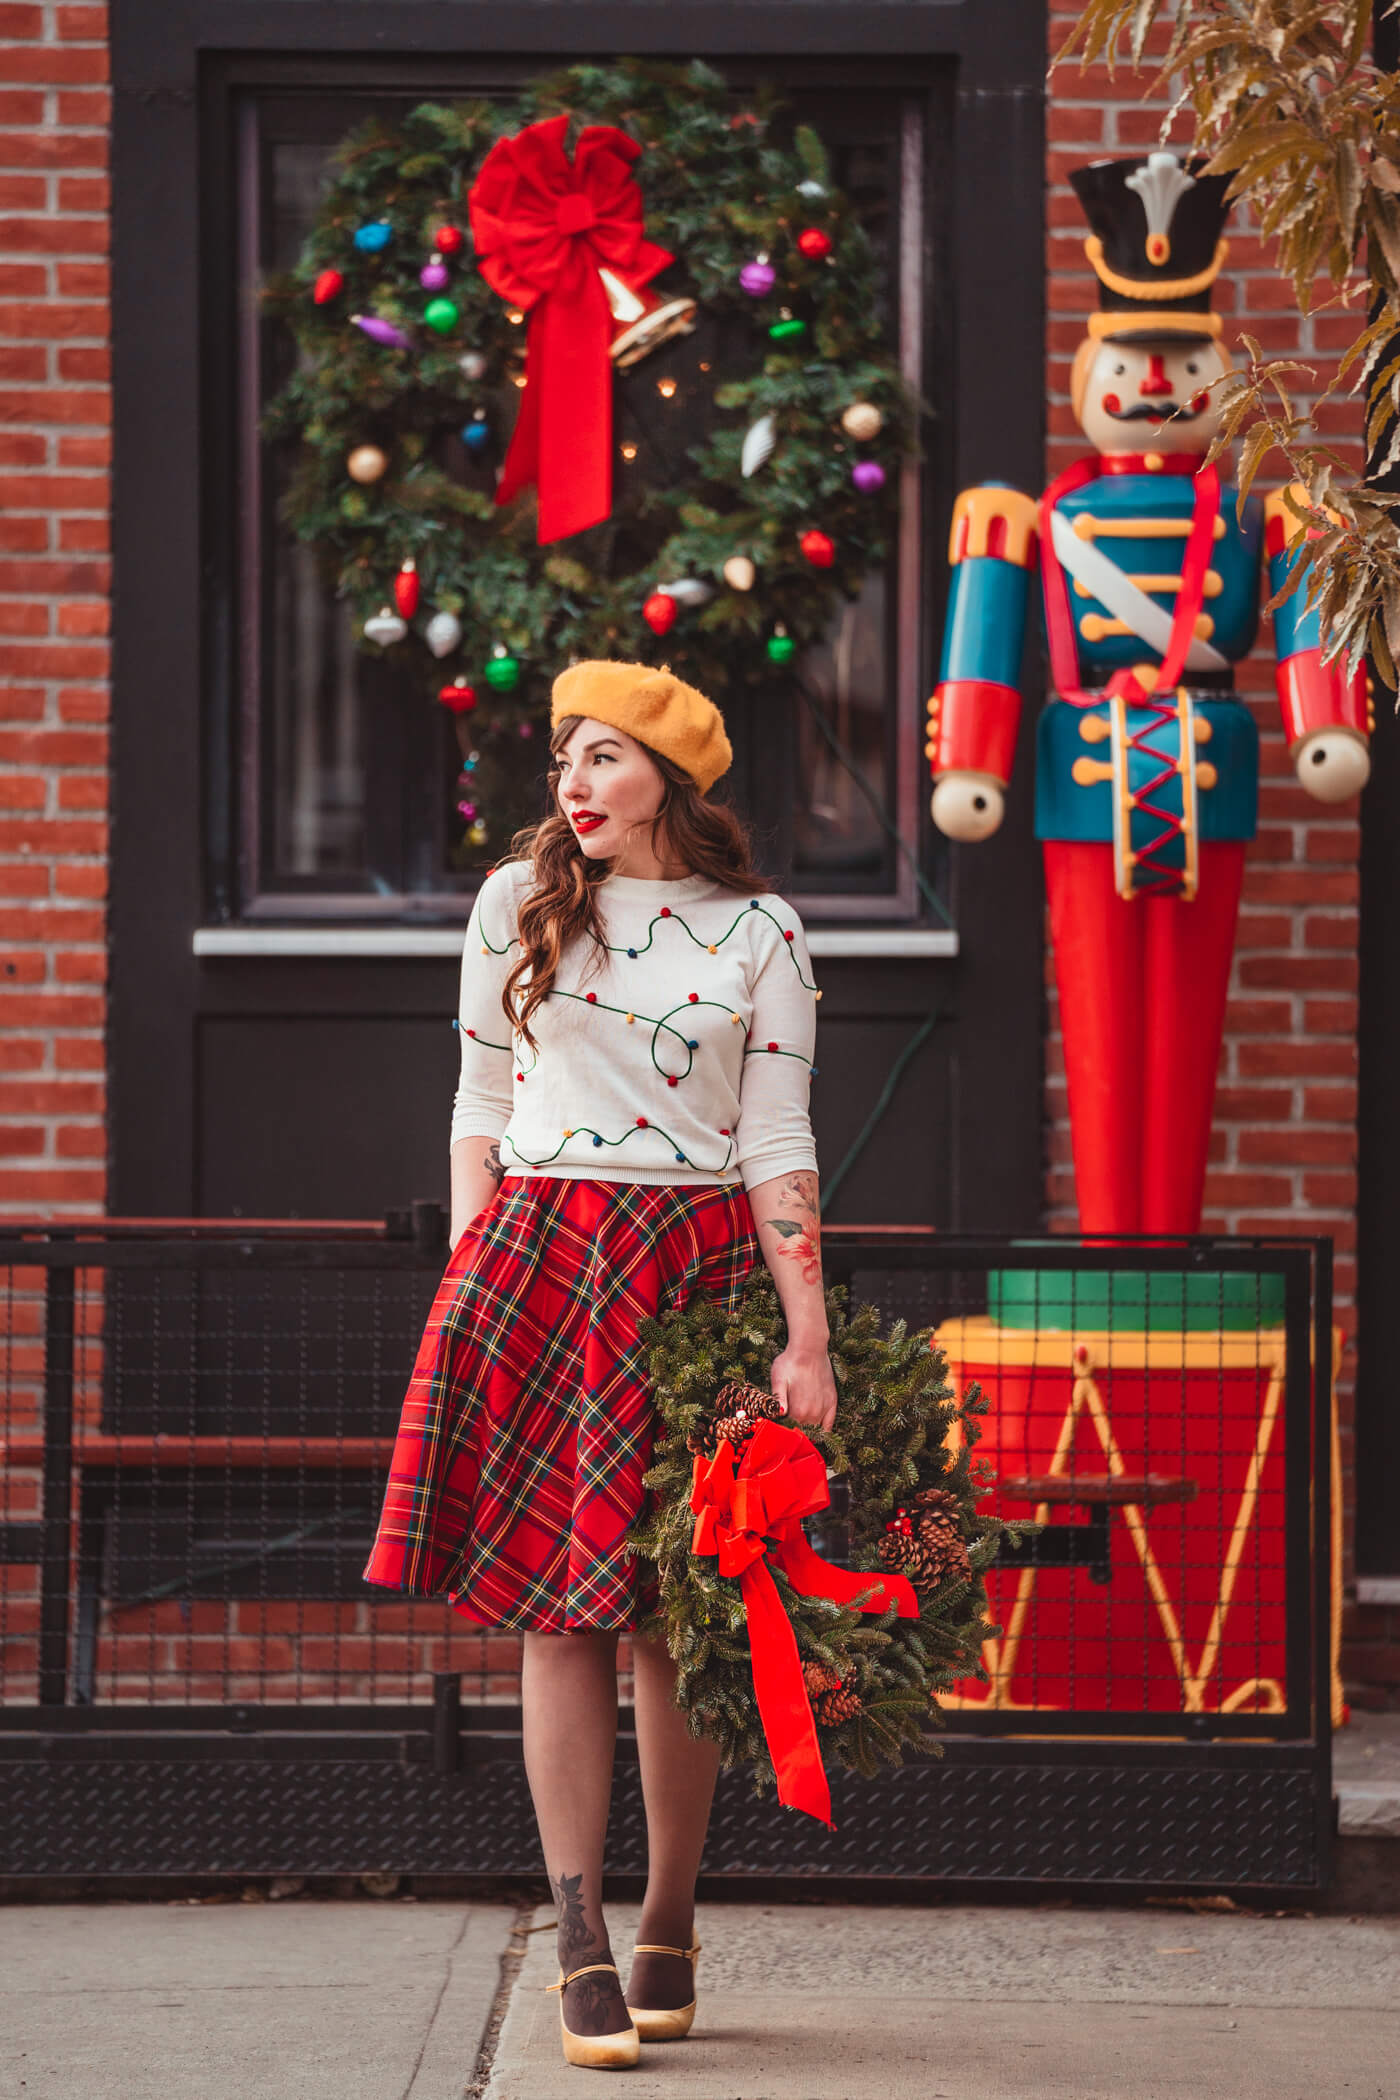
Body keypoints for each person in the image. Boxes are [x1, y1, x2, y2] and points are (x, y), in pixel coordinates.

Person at [364, 659, 833, 2069]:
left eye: (607, 757)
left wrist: (804, 1333)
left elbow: (776, 1142)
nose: (573, 781)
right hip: (539, 1258)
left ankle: (669, 1914)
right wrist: (470, 1259)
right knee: (556, 1608)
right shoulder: (516, 905)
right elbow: (477, 1097)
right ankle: (576, 1933)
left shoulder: (762, 931)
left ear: (672, 785)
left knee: (677, 1614)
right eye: (565, 756)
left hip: (692, 1271)